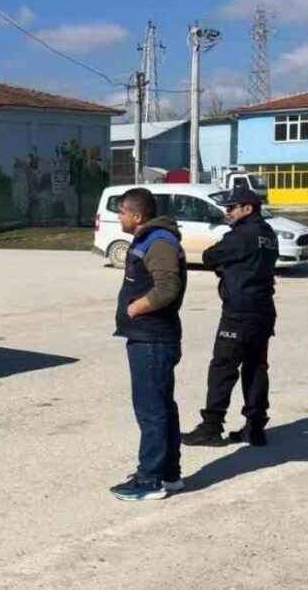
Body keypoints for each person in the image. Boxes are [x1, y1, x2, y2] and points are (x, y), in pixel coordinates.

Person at [182, 188, 278, 448]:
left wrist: (224, 267)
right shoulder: (268, 234)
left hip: (239, 312)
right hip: (263, 310)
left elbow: (209, 256)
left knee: (223, 368)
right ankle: (255, 428)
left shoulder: (241, 235)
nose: (227, 212)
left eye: (232, 207)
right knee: (256, 368)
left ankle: (211, 428)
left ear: (247, 208)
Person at [110, 188, 188, 501]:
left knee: (151, 410)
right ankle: (169, 474)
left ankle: (150, 480)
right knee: (160, 407)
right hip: (148, 337)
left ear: (138, 215)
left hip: (153, 339)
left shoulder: (159, 242)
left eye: (122, 212)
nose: (119, 217)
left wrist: (134, 308)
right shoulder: (148, 239)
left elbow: (168, 287)